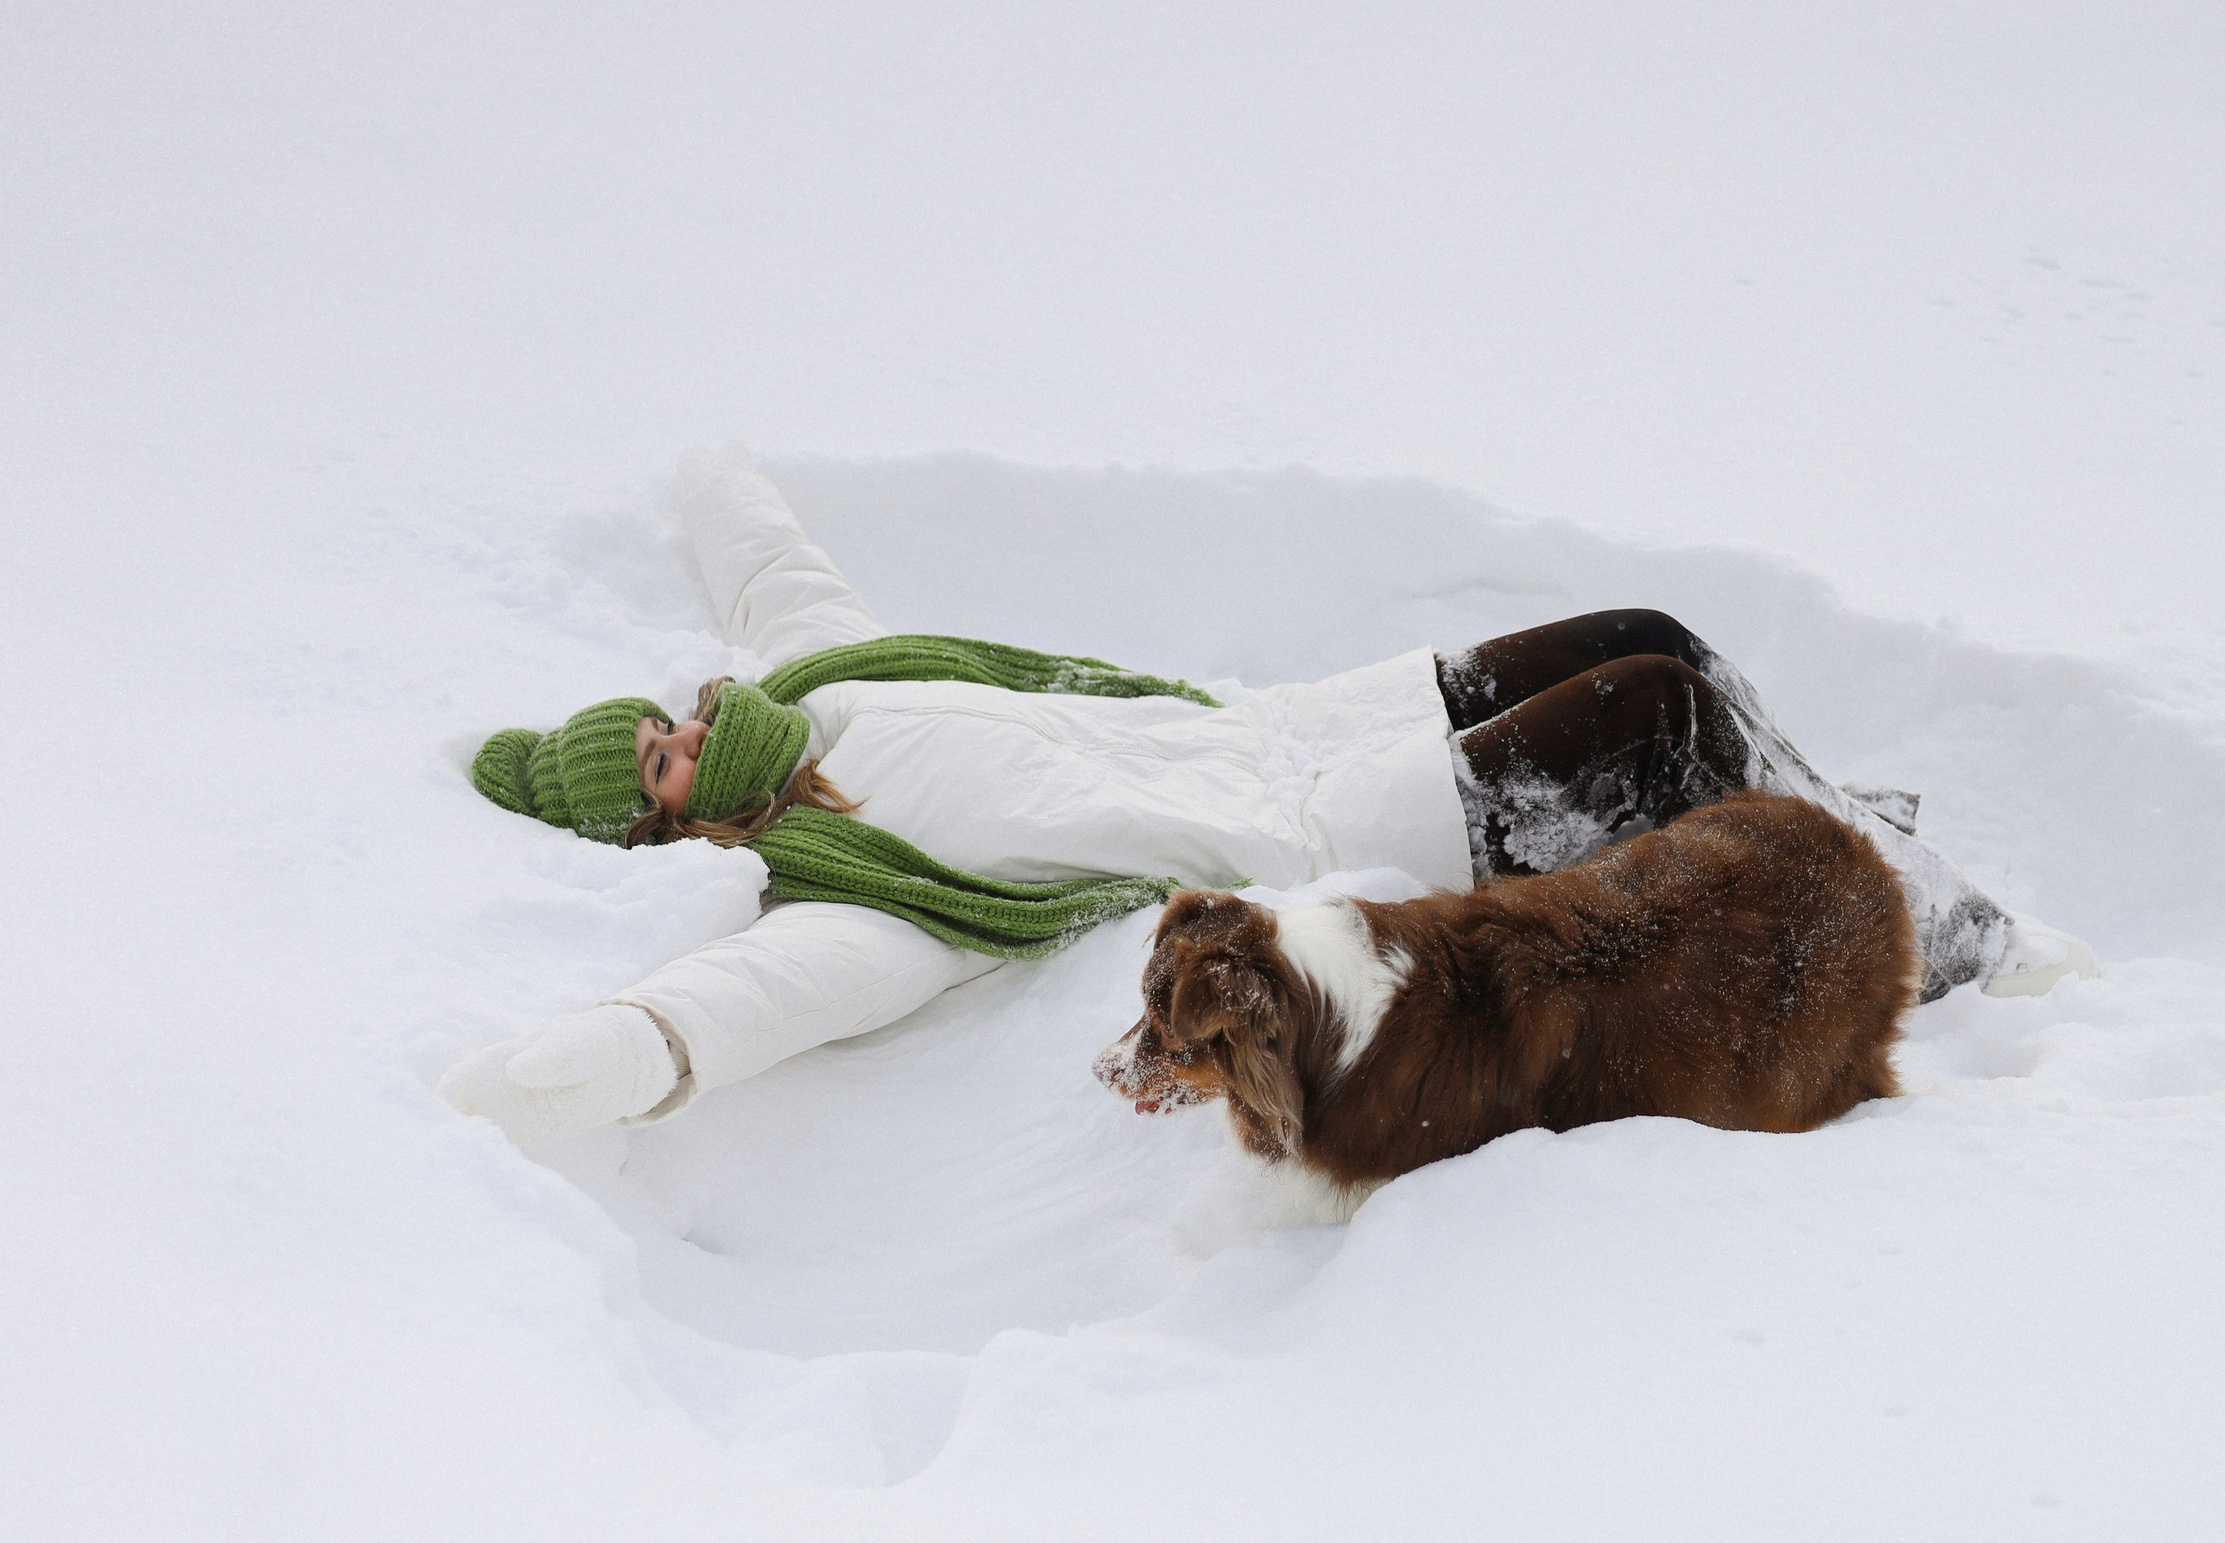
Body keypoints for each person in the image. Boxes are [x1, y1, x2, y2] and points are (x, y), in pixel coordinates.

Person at [441, 448, 2084, 1145]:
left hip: (1302, 719)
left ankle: (1833, 823)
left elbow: (766, 564)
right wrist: (599, 1061)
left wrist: (685, 457)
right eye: (653, 764)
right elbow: (735, 1007)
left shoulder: (828, 677)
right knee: (1662, 713)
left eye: (658, 719)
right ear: (670, 826)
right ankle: (1933, 931)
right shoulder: (858, 896)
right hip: (1333, 819)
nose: (681, 728)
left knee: (1651, 636)